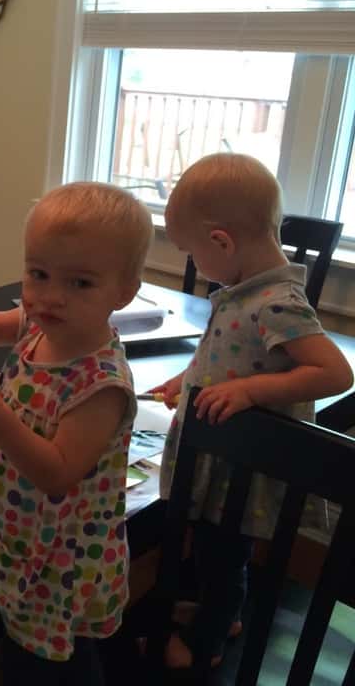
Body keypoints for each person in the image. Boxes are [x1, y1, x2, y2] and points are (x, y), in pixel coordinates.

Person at [0, 182, 155, 685]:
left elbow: (57, 473)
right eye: (39, 273)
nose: (51, 296)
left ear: (124, 292)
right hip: (17, 532)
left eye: (80, 283)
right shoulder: (39, 324)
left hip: (60, 563)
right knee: (15, 648)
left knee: (50, 668)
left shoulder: (102, 384)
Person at [148, 152, 353, 669]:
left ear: (221, 242)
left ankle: (205, 646)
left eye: (192, 253)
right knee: (216, 555)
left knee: (223, 558)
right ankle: (224, 611)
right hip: (219, 464)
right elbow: (225, 356)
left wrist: (251, 392)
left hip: (242, 475)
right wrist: (188, 380)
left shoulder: (277, 302)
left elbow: (335, 373)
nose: (197, 264)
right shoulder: (245, 293)